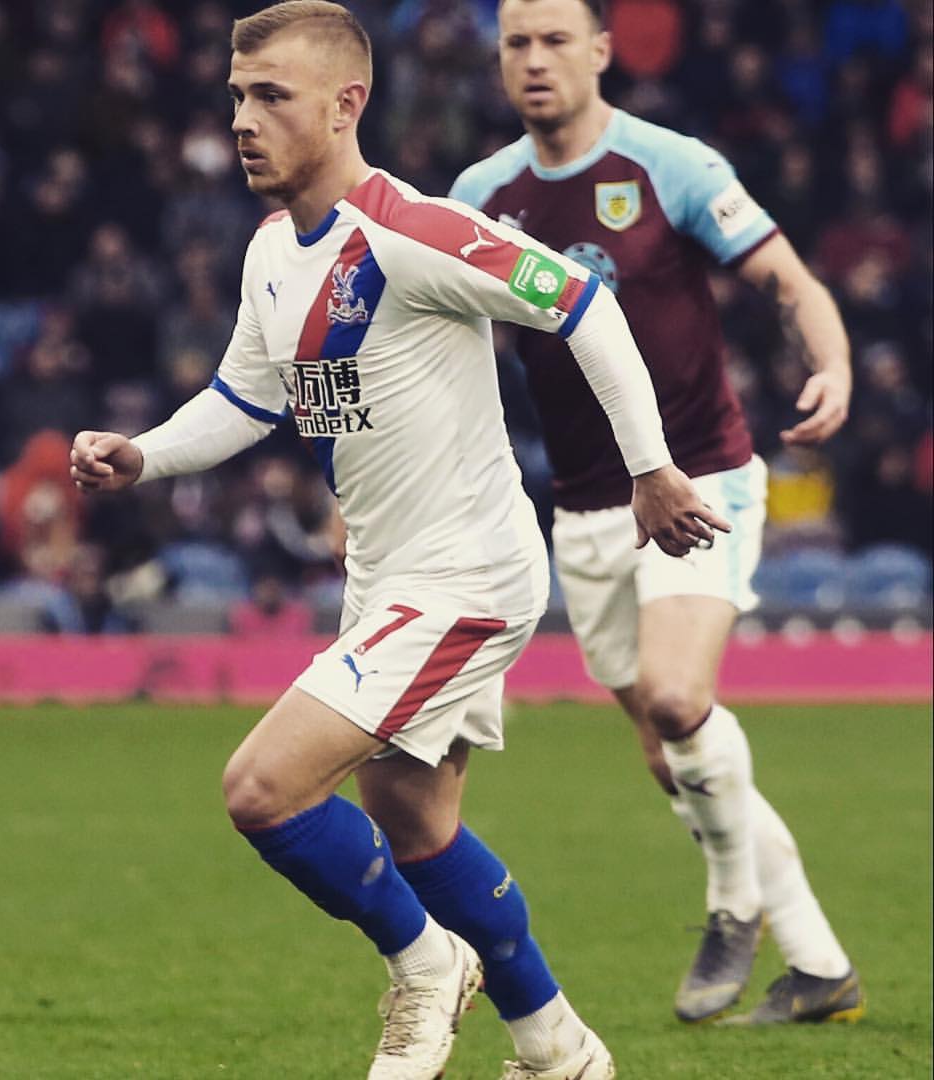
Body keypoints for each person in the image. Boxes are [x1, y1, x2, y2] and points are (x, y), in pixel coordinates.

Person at [71, 4, 728, 1077]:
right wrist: (144, 455)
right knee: (415, 826)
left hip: (466, 575)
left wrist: (651, 468)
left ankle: (427, 967)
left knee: (264, 790)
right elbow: (247, 396)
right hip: (387, 577)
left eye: (271, 97)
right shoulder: (274, 250)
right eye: (238, 96)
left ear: (345, 106)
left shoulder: (414, 233)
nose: (243, 119)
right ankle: (558, 1049)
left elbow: (578, 303)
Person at [450, 0, 863, 1027]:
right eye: (517, 44)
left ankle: (732, 907)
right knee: (667, 752)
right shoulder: (479, 197)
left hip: (700, 478)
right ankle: (819, 968)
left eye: (556, 40)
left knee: (682, 703)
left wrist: (835, 360)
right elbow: (452, 356)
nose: (536, 60)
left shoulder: (668, 166)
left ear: (601, 50)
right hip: (586, 508)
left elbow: (787, 277)